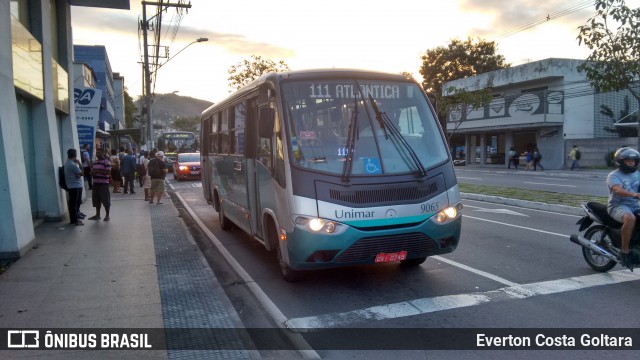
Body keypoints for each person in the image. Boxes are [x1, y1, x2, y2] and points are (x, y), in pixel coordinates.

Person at [606, 147, 640, 269]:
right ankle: (624, 251)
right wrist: (634, 194)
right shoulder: (614, 175)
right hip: (617, 206)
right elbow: (617, 189)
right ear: (621, 162)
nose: (631, 163)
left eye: (633, 161)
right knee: (630, 218)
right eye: (628, 161)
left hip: (635, 206)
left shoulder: (637, 174)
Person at [88, 148, 112, 221]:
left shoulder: (106, 162)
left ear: (103, 153)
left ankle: (107, 215)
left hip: (103, 184)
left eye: (99, 152)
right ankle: (97, 215)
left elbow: (108, 173)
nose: (97, 154)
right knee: (96, 200)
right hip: (95, 184)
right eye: (97, 152)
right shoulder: (95, 162)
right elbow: (93, 171)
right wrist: (92, 173)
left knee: (105, 200)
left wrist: (97, 171)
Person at [64, 148, 84, 226]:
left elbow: (78, 174)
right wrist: (79, 164)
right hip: (74, 186)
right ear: (75, 155)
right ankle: (74, 220)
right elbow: (82, 173)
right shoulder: (72, 164)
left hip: (74, 185)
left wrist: (78, 174)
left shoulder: (68, 163)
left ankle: (75, 218)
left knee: (75, 203)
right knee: (74, 204)